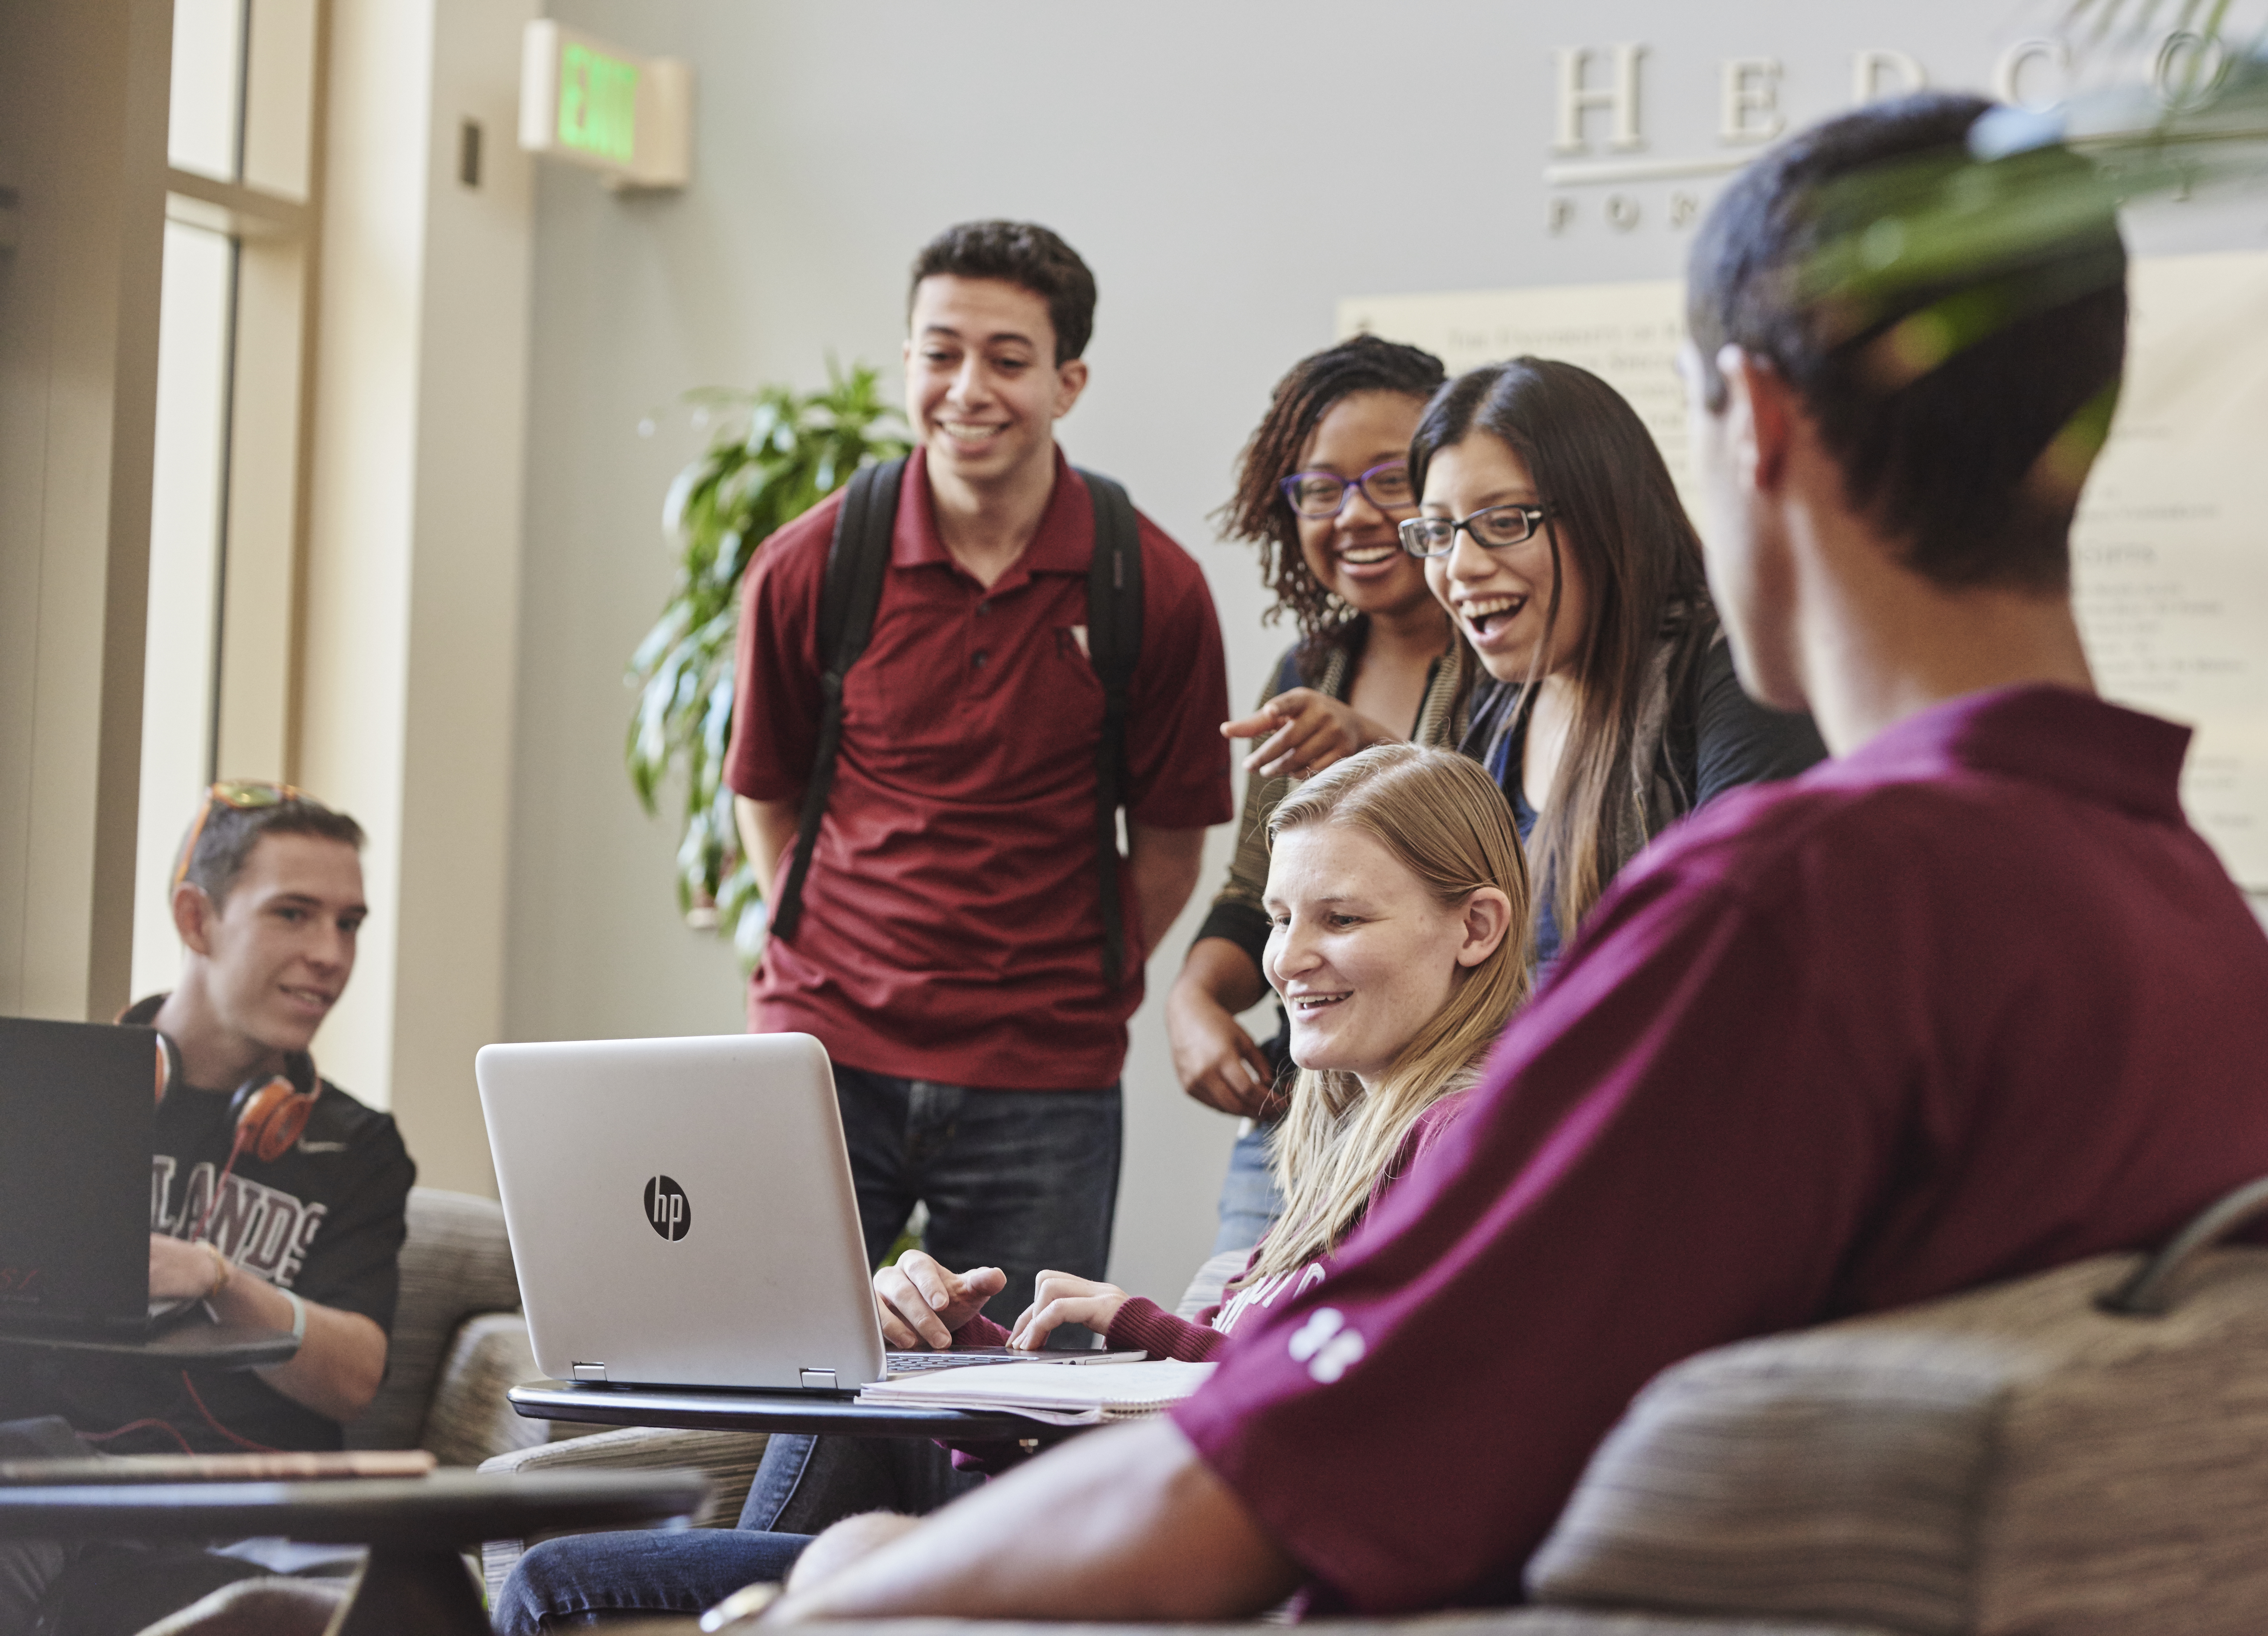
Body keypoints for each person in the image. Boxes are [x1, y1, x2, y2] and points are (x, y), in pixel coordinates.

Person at [755, 92, 2268, 1623]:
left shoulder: (1784, 912)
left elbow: (1266, 1490)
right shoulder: (2187, 914)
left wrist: (839, 1579)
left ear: (1758, 428)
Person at [492, 744, 1530, 1631]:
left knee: (559, 1586)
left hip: (1189, 1577)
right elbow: (1169, 1434)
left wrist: (1142, 1327)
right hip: (1128, 1530)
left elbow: (1338, 1419)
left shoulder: (1467, 1142)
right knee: (853, 1358)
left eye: (1340, 919)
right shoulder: (1335, 1153)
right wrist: (965, 1357)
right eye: (1279, 917)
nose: (1287, 960)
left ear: (1476, 929)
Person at [724, 220, 1234, 1324]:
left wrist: (1065, 979)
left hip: (1042, 1075)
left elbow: (1170, 846)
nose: (968, 389)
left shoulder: (1152, 585)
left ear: (1068, 382)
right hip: (822, 1055)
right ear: (908, 361)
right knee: (778, 1368)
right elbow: (765, 793)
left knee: (1015, 1399)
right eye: (939, 353)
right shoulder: (809, 565)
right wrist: (833, 949)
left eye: (1007, 360)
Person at [0, 784, 415, 1635]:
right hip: (58, 1489)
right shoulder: (55, 1098)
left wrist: (224, 1277)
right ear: (197, 918)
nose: (331, 953)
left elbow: (355, 1376)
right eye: (294, 914)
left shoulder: (358, 1146)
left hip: (248, 1517)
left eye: (349, 923)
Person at [1167, 336, 1480, 1257]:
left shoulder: (1512, 662)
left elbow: (1503, 863)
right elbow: (1254, 893)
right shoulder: (1309, 669)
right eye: (1319, 488)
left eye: (1390, 481)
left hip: (1454, 1111)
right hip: (1303, 1110)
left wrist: (1374, 753)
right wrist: (1194, 1002)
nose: (1354, 514)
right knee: (1231, 1335)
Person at [1403, 355, 1827, 976]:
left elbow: (1744, 949)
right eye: (1438, 533)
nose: (1460, 566)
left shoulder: (1731, 671)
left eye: (1505, 522)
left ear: (1608, 514)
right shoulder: (1491, 708)